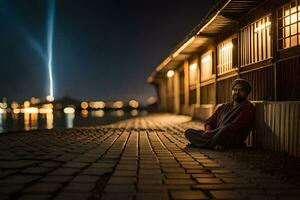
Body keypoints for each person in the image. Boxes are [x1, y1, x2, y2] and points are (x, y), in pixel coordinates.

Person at [185, 79, 255, 150]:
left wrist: (212, 133)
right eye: (234, 89)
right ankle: (214, 144)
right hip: (215, 135)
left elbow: (235, 126)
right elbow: (210, 121)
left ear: (247, 93)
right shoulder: (223, 106)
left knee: (224, 130)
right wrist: (208, 131)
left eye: (241, 90)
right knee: (189, 132)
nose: (237, 92)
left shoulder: (248, 107)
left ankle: (205, 144)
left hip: (231, 137)